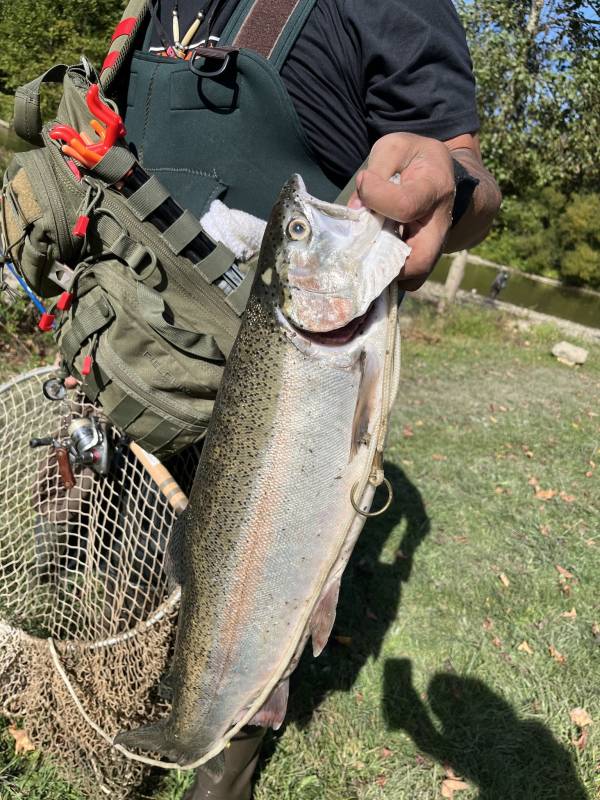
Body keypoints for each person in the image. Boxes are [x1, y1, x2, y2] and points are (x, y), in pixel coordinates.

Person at [102, 0, 502, 797]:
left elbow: (472, 176)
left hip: (265, 378)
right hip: (127, 357)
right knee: (132, 579)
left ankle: (224, 755)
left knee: (252, 589)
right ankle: (136, 707)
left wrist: (452, 179)